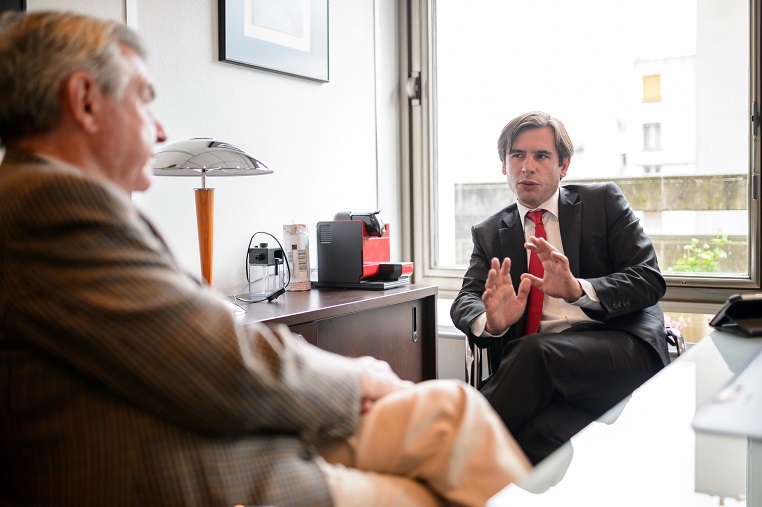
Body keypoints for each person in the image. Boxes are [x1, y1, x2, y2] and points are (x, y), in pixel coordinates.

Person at [0, 11, 531, 507]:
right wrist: (358, 380)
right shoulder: (49, 204)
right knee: (428, 487)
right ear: (85, 100)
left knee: (451, 410)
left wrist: (353, 381)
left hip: (219, 433)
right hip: (194, 470)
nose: (161, 131)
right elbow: (216, 361)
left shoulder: (49, 197)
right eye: (143, 99)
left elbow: (193, 344)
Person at [451, 111, 669, 465]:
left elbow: (649, 279)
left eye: (541, 156)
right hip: (545, 374)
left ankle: (447, 457)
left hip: (620, 347)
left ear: (564, 166)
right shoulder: (490, 232)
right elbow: (466, 299)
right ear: (504, 166)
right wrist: (492, 322)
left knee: (532, 352)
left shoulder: (602, 202)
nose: (527, 166)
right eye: (517, 155)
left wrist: (578, 289)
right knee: (539, 438)